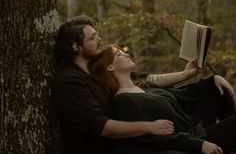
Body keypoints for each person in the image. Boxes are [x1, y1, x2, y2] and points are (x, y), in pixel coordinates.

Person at [52, 15, 205, 154]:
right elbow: (100, 126)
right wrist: (149, 127)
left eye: (97, 34)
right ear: (75, 47)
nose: (99, 39)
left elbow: (143, 79)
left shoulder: (95, 69)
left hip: (127, 141)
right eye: (92, 37)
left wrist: (184, 75)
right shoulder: (69, 81)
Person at [88, 45, 236, 154]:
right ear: (110, 67)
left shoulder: (143, 86)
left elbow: (182, 94)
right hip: (192, 139)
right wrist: (200, 145)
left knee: (220, 89)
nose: (126, 55)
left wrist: (212, 80)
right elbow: (155, 138)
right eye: (119, 54)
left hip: (195, 126)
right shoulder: (123, 101)